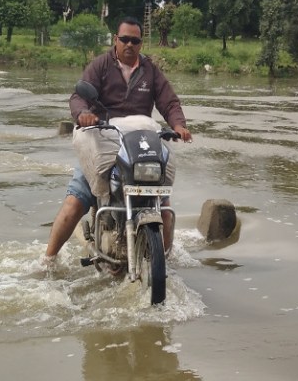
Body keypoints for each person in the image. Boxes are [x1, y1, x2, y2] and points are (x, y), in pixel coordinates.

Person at [44, 16, 192, 267]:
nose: (129, 45)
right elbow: (79, 96)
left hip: (139, 141)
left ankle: (166, 263)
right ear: (116, 40)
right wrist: (83, 115)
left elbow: (169, 102)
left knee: (163, 201)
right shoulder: (101, 65)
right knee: (76, 199)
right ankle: (47, 260)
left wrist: (179, 125)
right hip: (103, 138)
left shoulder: (150, 70)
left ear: (141, 43)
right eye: (125, 39)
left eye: (135, 40)